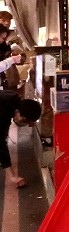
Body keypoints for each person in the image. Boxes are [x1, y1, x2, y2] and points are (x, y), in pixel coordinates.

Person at [0, 60, 40, 188]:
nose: (22, 123)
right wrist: (12, 175)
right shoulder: (3, 109)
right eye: (24, 120)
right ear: (19, 113)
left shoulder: (12, 100)